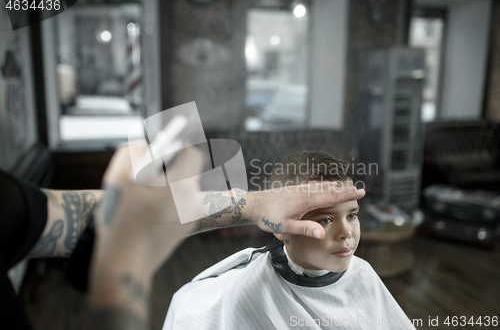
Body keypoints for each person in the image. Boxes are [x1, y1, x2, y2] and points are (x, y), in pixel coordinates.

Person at [0, 143, 366, 330]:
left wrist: (253, 204)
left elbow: (61, 214)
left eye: (352, 215)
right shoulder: (226, 296)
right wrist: (124, 264)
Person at [163, 151, 415, 330]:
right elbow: (152, 216)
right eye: (325, 219)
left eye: (352, 215)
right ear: (281, 228)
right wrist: (251, 205)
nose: (346, 231)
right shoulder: (247, 293)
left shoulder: (363, 274)